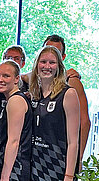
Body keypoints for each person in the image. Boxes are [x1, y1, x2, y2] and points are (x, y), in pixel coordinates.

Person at [30, 46, 80, 181]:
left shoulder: (68, 94)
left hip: (57, 167)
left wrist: (69, 175)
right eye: (43, 62)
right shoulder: (34, 94)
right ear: (36, 65)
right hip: (34, 167)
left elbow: (73, 142)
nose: (47, 66)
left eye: (52, 62)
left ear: (59, 67)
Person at [43, 34, 90, 169]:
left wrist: (78, 159)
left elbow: (84, 121)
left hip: (62, 155)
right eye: (47, 50)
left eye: (56, 53)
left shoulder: (72, 82)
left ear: (62, 57)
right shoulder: (36, 81)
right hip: (39, 156)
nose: (50, 55)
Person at [0, 60, 33, 181]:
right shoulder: (12, 99)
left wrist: (5, 176)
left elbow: (14, 141)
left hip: (16, 168)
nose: (0, 80)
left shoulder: (15, 101)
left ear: (16, 79)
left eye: (6, 76)